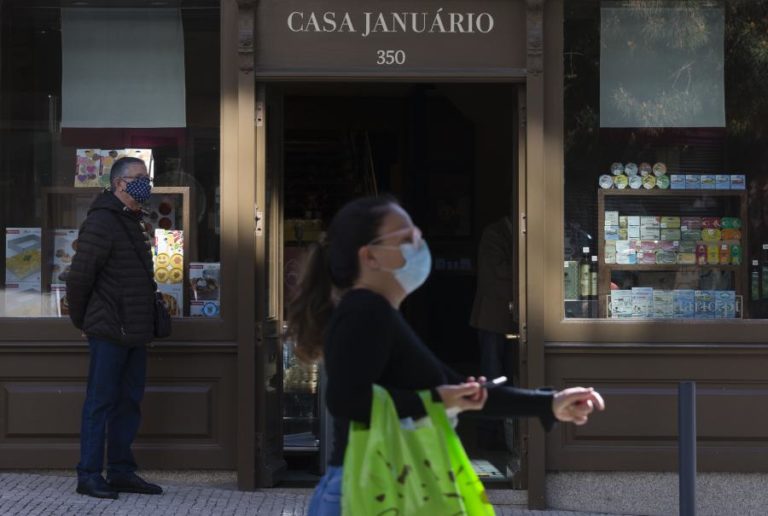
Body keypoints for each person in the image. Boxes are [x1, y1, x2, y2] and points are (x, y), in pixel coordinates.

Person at [285, 196, 605, 516]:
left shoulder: (377, 312)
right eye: (406, 238)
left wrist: (549, 403)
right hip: (366, 493)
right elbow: (347, 401)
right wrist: (438, 399)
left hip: (378, 489)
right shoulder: (365, 311)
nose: (419, 244)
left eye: (418, 234)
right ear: (370, 256)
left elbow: (462, 392)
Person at [67, 157, 163, 499]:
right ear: (120, 184)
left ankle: (121, 471)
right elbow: (79, 278)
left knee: (128, 403)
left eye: (147, 178)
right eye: (140, 178)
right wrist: (83, 321)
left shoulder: (131, 220)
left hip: (135, 331)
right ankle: (89, 474)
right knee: (100, 403)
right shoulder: (103, 222)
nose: (146, 184)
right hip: (109, 330)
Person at [470, 215, 517, 381]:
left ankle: (507, 403)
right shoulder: (494, 233)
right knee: (492, 369)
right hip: (492, 313)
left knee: (512, 367)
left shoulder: (514, 232)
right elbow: (498, 269)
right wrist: (529, 264)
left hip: (512, 313)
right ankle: (492, 404)